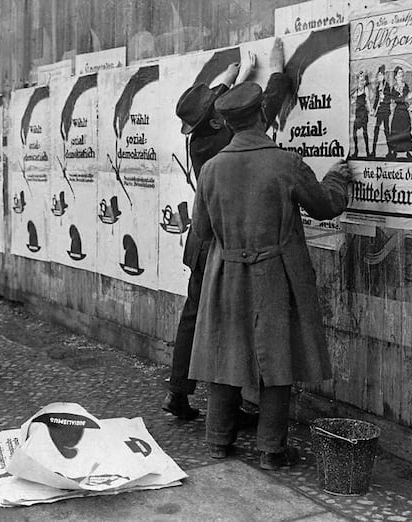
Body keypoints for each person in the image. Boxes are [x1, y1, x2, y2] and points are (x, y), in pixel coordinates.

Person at [188, 82, 352, 465]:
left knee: (224, 354)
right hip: (275, 274)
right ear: (263, 115)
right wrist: (337, 178)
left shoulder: (211, 169)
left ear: (227, 123)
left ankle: (217, 440)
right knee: (278, 360)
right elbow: (326, 205)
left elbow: (201, 232)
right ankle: (271, 451)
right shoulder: (285, 163)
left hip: (225, 274)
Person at [163, 38, 291, 421]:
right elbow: (263, 109)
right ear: (218, 120)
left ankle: (178, 392)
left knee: (193, 315)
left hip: (201, 242)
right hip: (225, 244)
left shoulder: (201, 138)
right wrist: (277, 70)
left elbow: (214, 102)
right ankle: (231, 408)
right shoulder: (226, 139)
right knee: (232, 324)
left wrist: (234, 75)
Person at [388, 65, 412, 159]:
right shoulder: (393, 88)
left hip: (404, 111)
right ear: (395, 76)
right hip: (397, 111)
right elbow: (393, 100)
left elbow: (408, 97)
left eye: (401, 72)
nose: (401, 74)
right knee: (396, 130)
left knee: (406, 130)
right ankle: (395, 151)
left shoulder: (405, 86)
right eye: (399, 73)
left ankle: (408, 152)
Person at [371, 65, 391, 158]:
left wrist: (385, 98)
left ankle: (390, 152)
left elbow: (390, 99)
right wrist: (374, 108)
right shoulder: (378, 86)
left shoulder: (387, 86)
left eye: (380, 75)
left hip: (385, 111)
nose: (379, 77)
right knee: (376, 130)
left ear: (383, 76)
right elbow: (376, 99)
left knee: (387, 130)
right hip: (379, 111)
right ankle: (373, 151)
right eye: (378, 75)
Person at [351, 71, 371, 158]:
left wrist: (370, 111)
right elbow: (352, 101)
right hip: (357, 113)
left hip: (363, 113)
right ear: (358, 81)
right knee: (354, 132)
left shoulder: (365, 89)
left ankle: (367, 151)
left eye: (363, 80)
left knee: (365, 132)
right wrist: (353, 100)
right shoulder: (355, 90)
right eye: (360, 80)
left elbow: (368, 100)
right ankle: (356, 151)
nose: (362, 82)